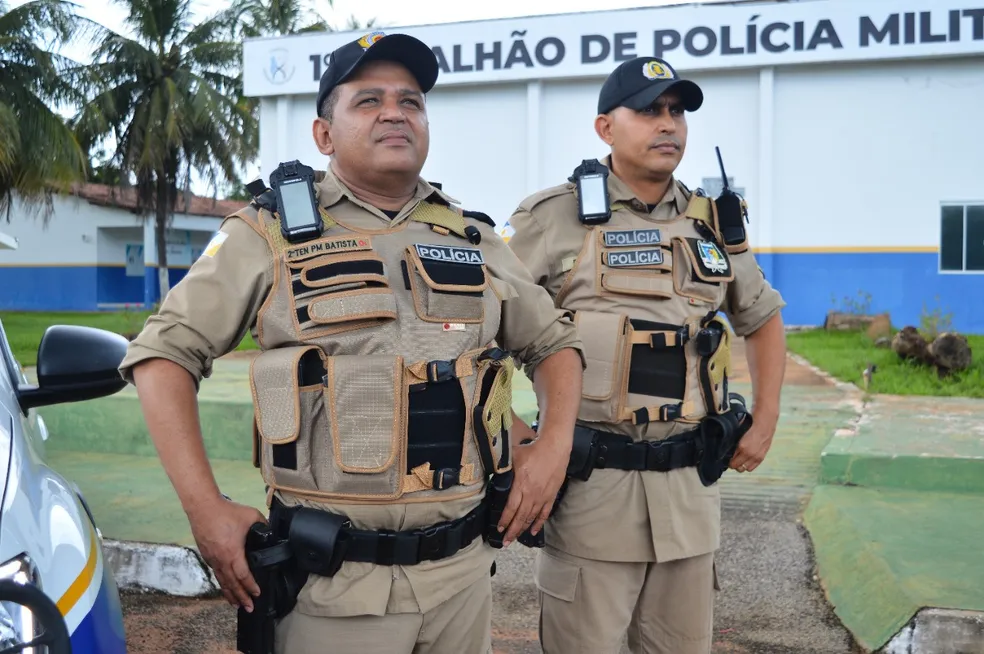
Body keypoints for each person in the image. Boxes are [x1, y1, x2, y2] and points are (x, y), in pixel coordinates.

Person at [117, 31, 584, 654]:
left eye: (410, 101)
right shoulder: (268, 233)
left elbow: (554, 344)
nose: (395, 113)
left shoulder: (471, 236)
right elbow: (163, 356)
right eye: (368, 101)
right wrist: (206, 509)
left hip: (464, 578)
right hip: (332, 589)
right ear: (324, 134)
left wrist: (552, 447)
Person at [506, 56, 788, 654]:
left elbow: (761, 317)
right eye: (649, 110)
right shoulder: (553, 218)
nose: (669, 125)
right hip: (591, 495)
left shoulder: (713, 222)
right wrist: (521, 440)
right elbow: (477, 336)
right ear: (606, 128)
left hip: (690, 495)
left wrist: (764, 421)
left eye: (677, 111)